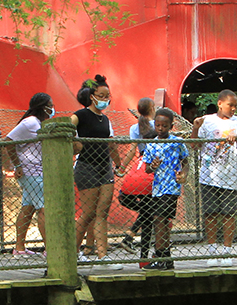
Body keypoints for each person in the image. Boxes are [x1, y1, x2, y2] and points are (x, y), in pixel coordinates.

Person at [70, 74, 123, 266]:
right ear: (92, 96)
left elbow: (111, 144)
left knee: (102, 213)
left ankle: (103, 256)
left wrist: (119, 165)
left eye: (107, 96)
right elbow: (67, 128)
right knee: (88, 213)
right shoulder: (81, 115)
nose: (105, 99)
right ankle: (73, 252)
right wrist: (75, 144)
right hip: (86, 167)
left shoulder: (106, 120)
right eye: (101, 95)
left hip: (105, 168)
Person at [192, 89, 237, 257]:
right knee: (210, 213)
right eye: (230, 105)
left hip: (231, 175)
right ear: (220, 104)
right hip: (209, 175)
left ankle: (227, 250)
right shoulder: (206, 121)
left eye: (235, 106)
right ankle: (212, 250)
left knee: (228, 214)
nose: (233, 109)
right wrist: (195, 128)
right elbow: (195, 145)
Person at [3, 93, 53, 257]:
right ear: (42, 106)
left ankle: (19, 248)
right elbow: (9, 141)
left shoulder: (39, 123)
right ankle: (50, 248)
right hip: (31, 172)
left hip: (38, 171)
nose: (52, 108)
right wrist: (17, 165)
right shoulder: (30, 122)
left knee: (28, 207)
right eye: (50, 105)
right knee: (44, 208)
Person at [141, 108, 188, 269]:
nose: (160, 129)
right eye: (158, 125)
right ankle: (165, 257)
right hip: (157, 187)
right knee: (159, 220)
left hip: (171, 187)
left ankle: (160, 256)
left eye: (164, 126)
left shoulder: (177, 142)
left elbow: (186, 160)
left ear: (171, 126)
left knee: (160, 219)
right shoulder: (152, 144)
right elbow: (147, 168)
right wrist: (152, 166)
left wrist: (184, 174)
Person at [118, 96, 158, 250]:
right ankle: (133, 238)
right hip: (156, 165)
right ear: (153, 108)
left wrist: (122, 167)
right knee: (151, 206)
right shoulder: (158, 125)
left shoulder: (135, 128)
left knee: (148, 206)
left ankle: (130, 237)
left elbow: (132, 149)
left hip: (141, 165)